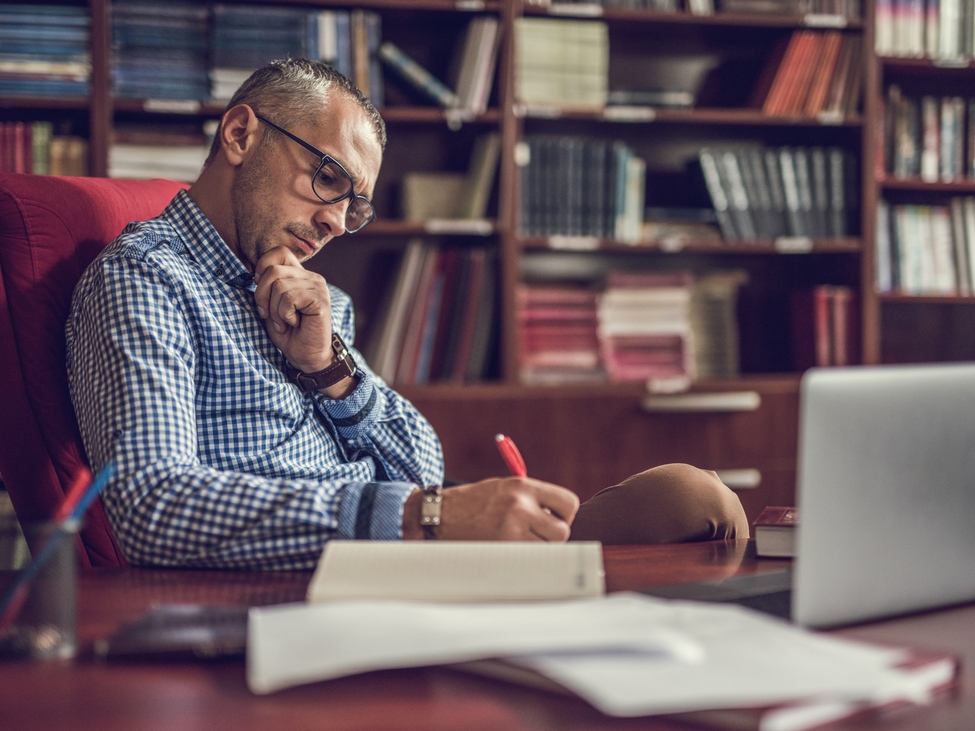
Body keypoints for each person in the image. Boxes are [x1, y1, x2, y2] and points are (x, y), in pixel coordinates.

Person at [66, 59, 747, 570]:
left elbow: (421, 458)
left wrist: (328, 371)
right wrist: (422, 518)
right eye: (326, 177)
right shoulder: (147, 279)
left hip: (409, 549)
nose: (334, 220)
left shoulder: (304, 296)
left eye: (353, 205)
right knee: (693, 509)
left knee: (695, 500)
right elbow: (152, 508)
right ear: (242, 133)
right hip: (330, 578)